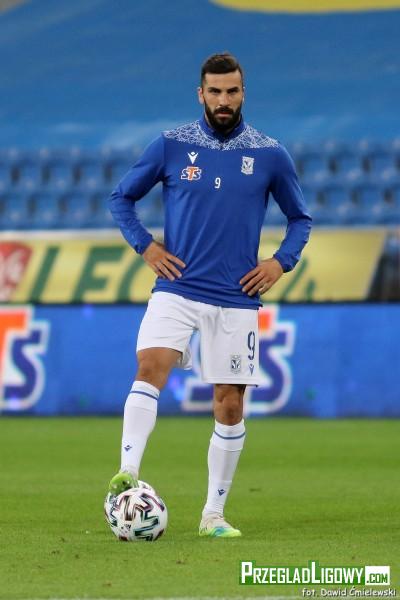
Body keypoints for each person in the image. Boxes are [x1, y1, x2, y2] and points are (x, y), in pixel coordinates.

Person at [108, 52, 312, 538]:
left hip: (236, 297)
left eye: (232, 91)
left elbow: (300, 219)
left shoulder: (269, 154)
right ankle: (127, 475)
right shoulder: (171, 145)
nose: (224, 100)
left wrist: (279, 262)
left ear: (243, 94)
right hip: (177, 288)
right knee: (150, 366)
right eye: (215, 91)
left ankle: (213, 515)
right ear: (201, 94)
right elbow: (121, 198)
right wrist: (146, 246)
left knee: (229, 405)